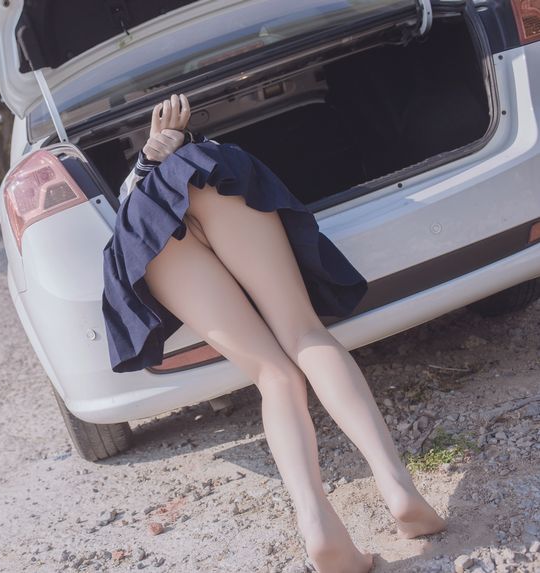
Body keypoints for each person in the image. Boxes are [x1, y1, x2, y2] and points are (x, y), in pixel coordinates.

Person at [101, 94, 447, 573]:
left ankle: (316, 524)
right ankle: (398, 487)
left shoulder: (138, 189)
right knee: (303, 333)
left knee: (273, 376)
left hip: (141, 227)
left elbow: (133, 202)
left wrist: (148, 163)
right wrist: (177, 149)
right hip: (204, 174)